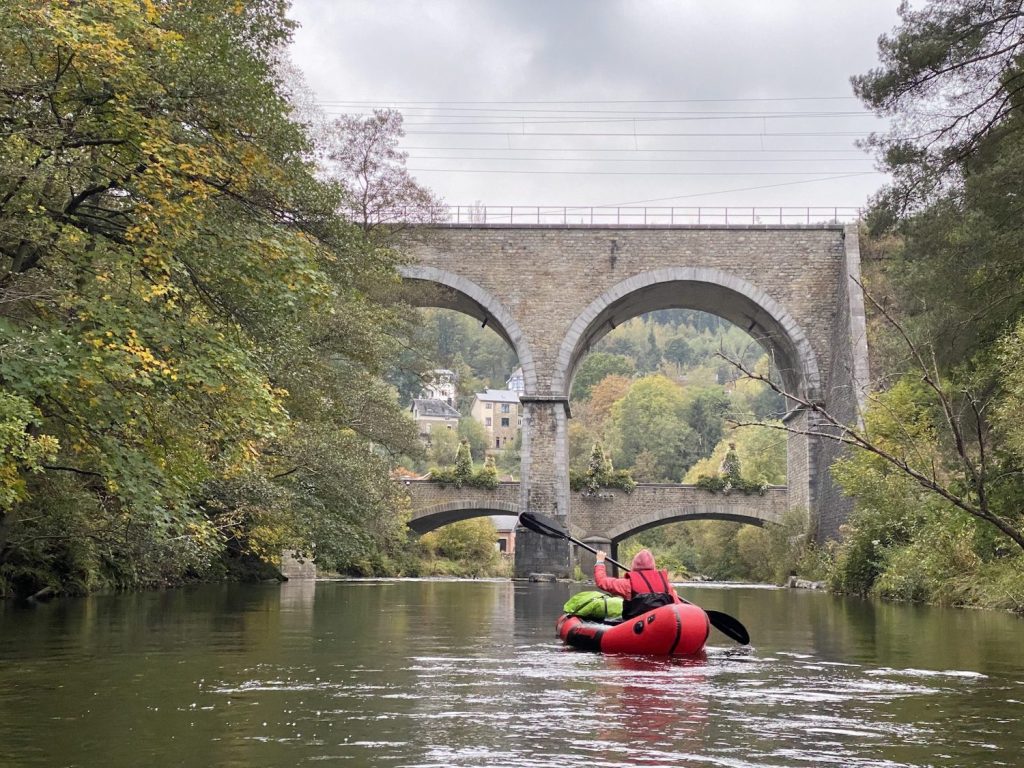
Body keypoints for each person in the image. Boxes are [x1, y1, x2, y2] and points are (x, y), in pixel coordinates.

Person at [594, 549, 682, 619]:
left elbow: (601, 581)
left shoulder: (627, 584)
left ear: (634, 565)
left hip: (634, 627)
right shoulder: (666, 584)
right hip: (661, 626)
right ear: (653, 565)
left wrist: (600, 562)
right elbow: (678, 605)